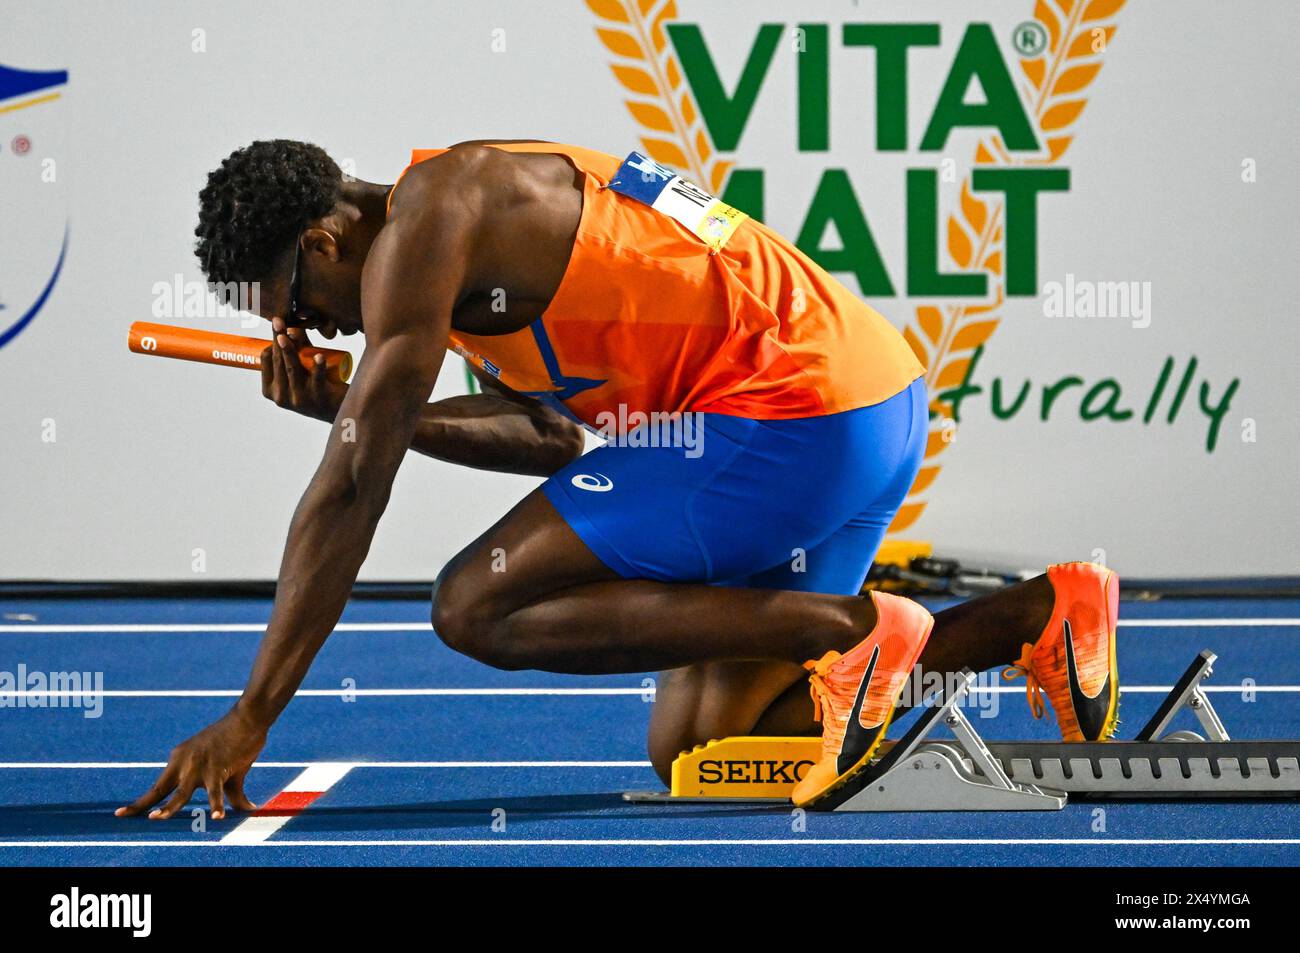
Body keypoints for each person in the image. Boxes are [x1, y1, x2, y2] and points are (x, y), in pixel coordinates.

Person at [117, 139, 1119, 819]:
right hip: (861, 401)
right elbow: (552, 435)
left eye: (289, 304)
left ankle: (855, 629)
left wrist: (252, 715)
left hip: (791, 416)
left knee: (474, 604)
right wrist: (363, 406)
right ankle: (1037, 618)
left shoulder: (429, 225)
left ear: (322, 242)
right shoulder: (458, 237)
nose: (300, 332)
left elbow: (348, 493)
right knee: (708, 750)